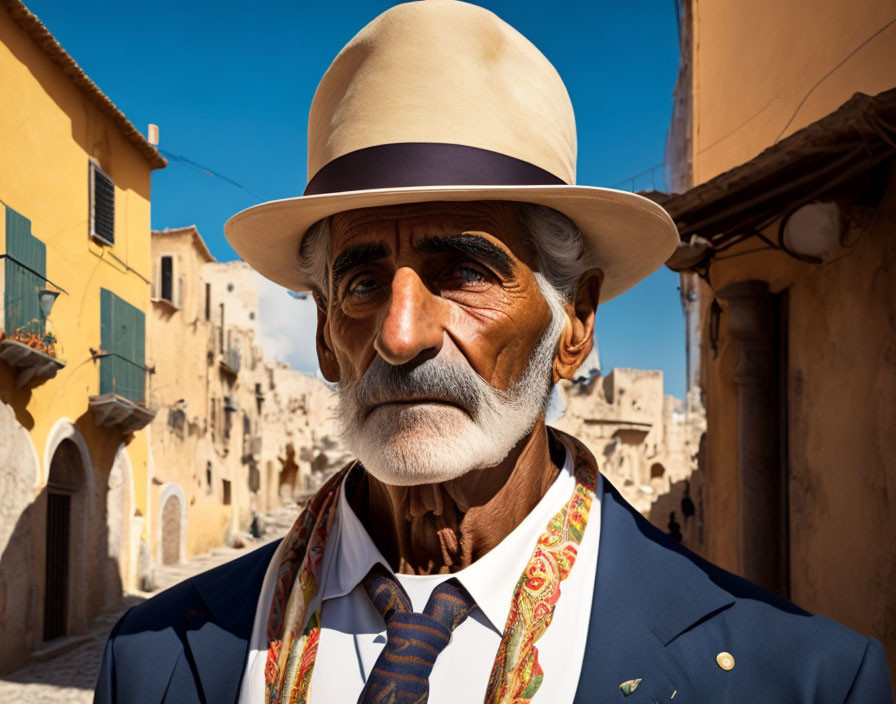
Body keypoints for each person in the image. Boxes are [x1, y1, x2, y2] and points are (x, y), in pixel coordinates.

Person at [94, 2, 894, 702]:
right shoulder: (159, 662)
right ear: (323, 336)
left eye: (467, 272)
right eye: (363, 282)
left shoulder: (798, 681)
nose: (401, 336)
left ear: (573, 322)